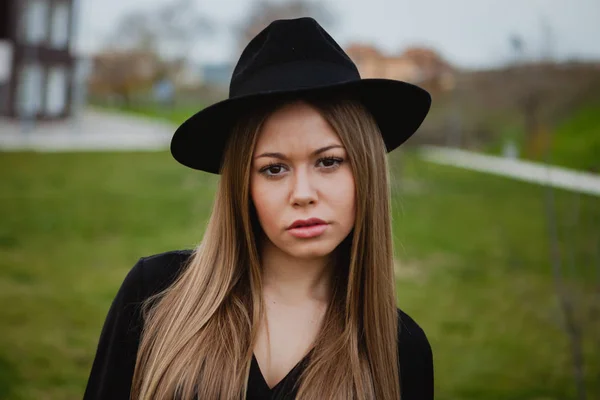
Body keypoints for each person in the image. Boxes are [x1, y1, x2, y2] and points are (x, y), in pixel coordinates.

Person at [84, 17, 434, 400]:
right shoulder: (155, 294)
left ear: (365, 169)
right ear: (242, 186)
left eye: (329, 161)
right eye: (274, 168)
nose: (303, 193)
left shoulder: (402, 352)